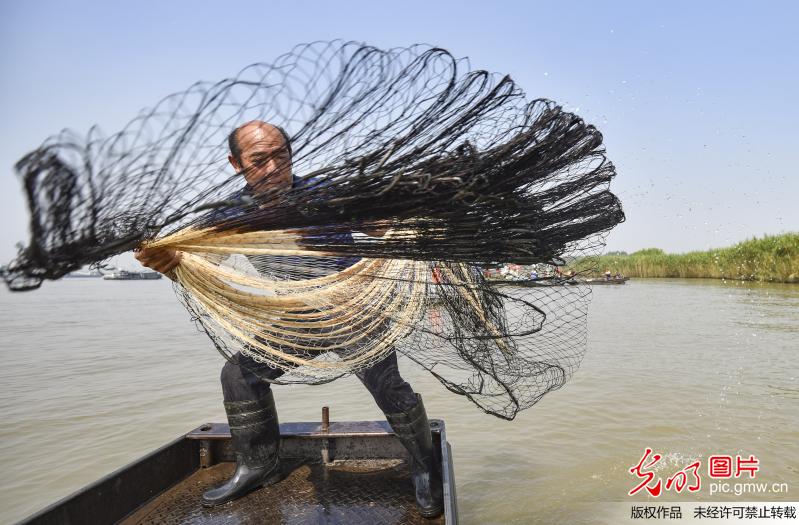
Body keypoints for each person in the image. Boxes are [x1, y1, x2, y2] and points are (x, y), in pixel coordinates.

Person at [135, 121, 443, 517]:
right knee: (239, 375)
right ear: (236, 163)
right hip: (299, 316)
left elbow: (379, 227)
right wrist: (167, 261)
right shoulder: (230, 215)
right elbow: (197, 263)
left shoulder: (325, 195)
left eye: (281, 155)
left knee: (386, 386)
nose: (273, 167)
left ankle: (424, 467)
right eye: (259, 160)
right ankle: (258, 466)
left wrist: (398, 215)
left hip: (354, 306)